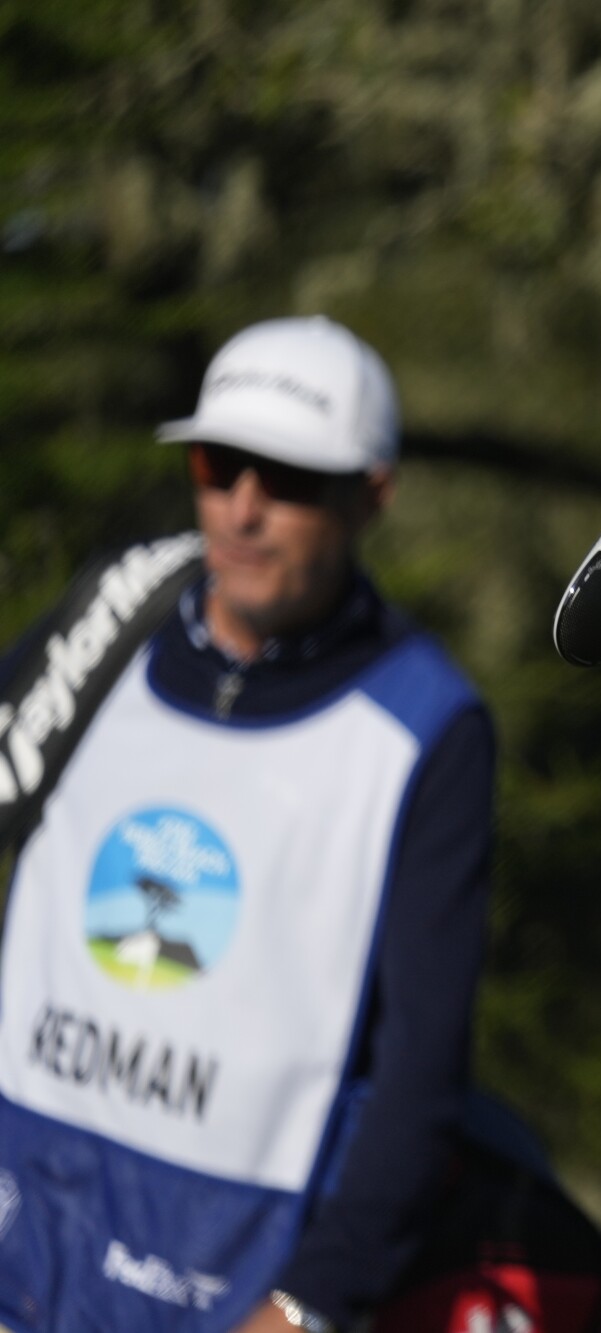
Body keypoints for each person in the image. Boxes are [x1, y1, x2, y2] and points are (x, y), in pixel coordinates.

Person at [0, 317, 495, 1333]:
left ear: (371, 494)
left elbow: (420, 1071)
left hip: (222, 1290)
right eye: (219, 465)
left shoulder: (426, 728)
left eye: (290, 479)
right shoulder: (112, 622)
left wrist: (306, 1307)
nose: (243, 509)